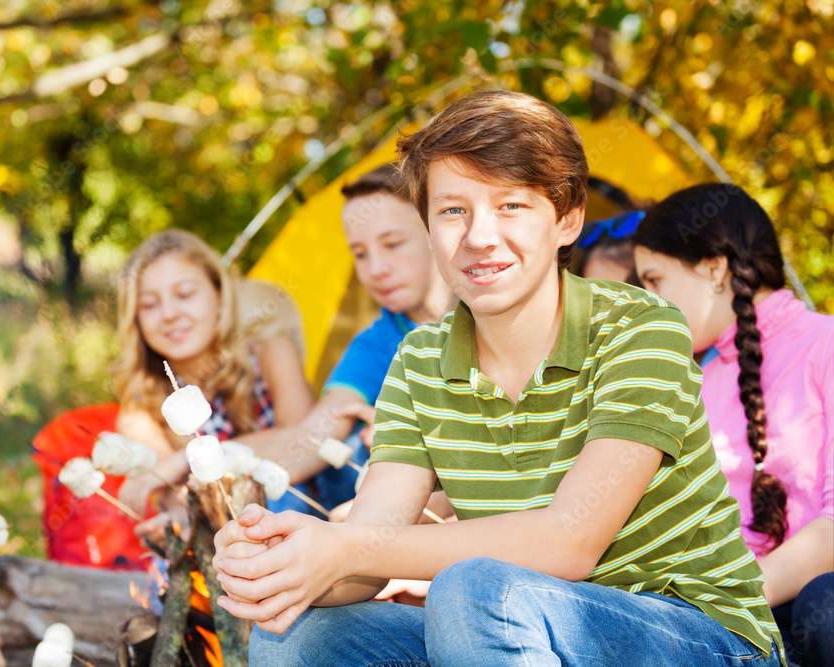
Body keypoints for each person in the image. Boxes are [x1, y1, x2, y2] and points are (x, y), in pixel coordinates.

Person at [211, 90, 785, 666]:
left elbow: (571, 543)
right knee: (298, 638)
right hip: (518, 627)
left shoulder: (641, 327)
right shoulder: (418, 363)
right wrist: (283, 563)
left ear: (567, 218)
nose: (480, 236)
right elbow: (367, 552)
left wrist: (347, 545)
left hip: (702, 637)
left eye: (510, 206)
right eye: (453, 210)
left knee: (477, 590)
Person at [632, 183, 833, 666]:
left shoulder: (825, 345)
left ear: (714, 268)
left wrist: (722, 605)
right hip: (723, 621)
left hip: (793, 612)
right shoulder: (694, 379)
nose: (646, 299)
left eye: (655, 280)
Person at [252, 163, 454, 513]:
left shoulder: (495, 318)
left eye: (392, 244)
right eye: (360, 254)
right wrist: (229, 465)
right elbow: (317, 431)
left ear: (437, 233)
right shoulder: (378, 342)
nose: (376, 269)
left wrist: (407, 434)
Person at [112, 229, 315, 520]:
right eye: (149, 304)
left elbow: (306, 440)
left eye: (185, 294)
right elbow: (175, 497)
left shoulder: (270, 352)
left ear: (220, 296)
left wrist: (183, 459)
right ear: (136, 320)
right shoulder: (140, 410)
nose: (169, 313)